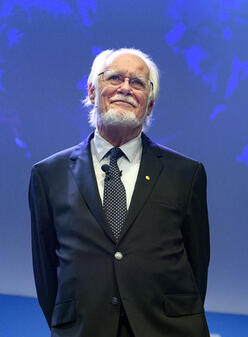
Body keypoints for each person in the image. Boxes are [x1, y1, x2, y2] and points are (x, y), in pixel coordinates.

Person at [29, 48, 210, 337]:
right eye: (114, 78)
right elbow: (46, 271)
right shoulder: (48, 174)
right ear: (92, 91)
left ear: (149, 105)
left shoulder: (186, 174)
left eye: (137, 83)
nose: (125, 88)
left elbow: (197, 265)